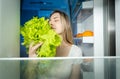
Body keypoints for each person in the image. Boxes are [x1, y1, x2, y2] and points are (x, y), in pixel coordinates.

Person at [27, 10, 83, 79]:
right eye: (49, 21)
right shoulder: (39, 48)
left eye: (56, 20)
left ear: (66, 24)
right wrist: (31, 62)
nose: (51, 23)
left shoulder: (75, 51)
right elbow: (30, 77)